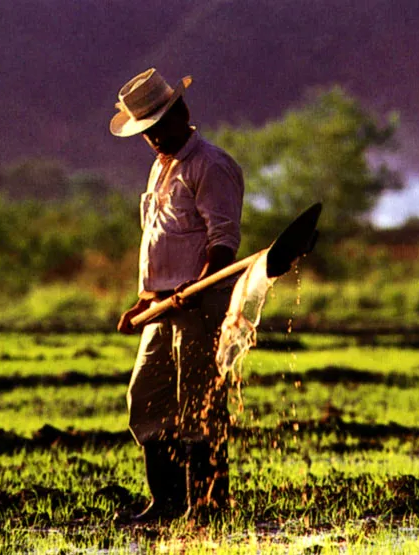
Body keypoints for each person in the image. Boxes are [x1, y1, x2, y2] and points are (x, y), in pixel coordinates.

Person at [111, 68, 244, 523]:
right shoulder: (161, 165)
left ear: (181, 114)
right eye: (145, 133)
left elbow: (223, 241)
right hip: (162, 308)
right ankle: (165, 504)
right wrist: (145, 301)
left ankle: (206, 507)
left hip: (200, 308)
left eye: (157, 129)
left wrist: (199, 283)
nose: (152, 139)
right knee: (147, 401)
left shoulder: (212, 165)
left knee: (199, 407)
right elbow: (162, 240)